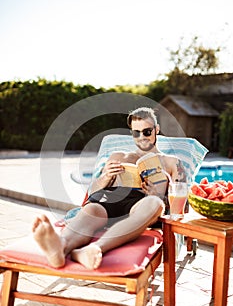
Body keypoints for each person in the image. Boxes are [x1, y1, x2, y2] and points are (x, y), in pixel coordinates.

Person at [33, 107, 187, 270]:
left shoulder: (172, 162)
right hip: (108, 200)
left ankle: (95, 248)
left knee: (155, 204)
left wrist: (159, 195)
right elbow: (92, 193)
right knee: (91, 210)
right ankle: (60, 247)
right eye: (136, 133)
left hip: (141, 205)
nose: (142, 137)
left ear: (156, 130)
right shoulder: (118, 156)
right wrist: (105, 176)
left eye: (147, 131)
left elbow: (179, 204)